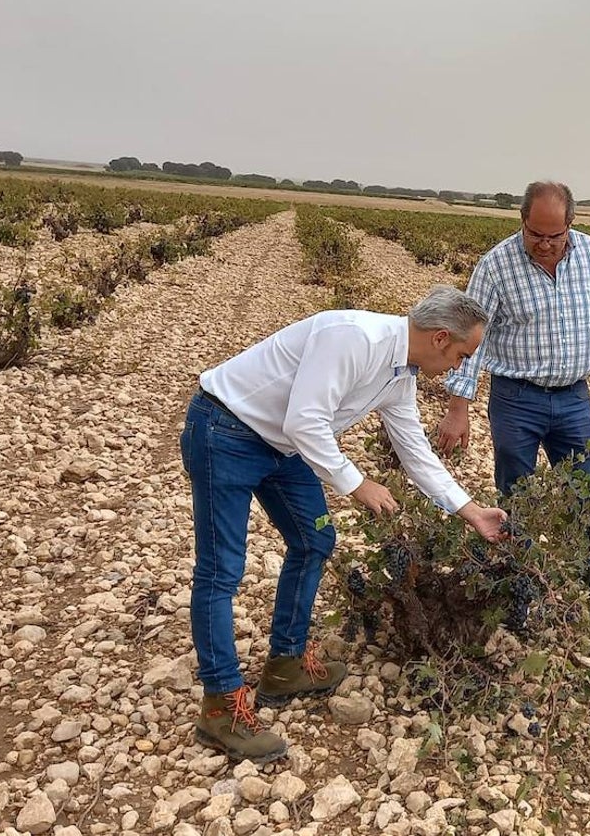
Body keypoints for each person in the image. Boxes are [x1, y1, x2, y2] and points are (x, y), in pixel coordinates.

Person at [181, 286, 508, 762]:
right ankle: (220, 707)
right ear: (440, 338)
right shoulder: (354, 338)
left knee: (315, 540)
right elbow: (305, 421)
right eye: (463, 354)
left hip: (284, 447)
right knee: (221, 570)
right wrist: (358, 484)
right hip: (225, 432)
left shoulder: (400, 375)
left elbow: (414, 449)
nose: (460, 366)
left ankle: (285, 664)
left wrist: (470, 510)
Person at [434, 180, 590, 640]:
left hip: (574, 398)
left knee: (585, 500)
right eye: (535, 234)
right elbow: (469, 337)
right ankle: (518, 595)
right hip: (516, 399)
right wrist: (457, 407)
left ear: (571, 225)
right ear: (521, 221)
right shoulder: (496, 265)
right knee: (515, 500)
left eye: (554, 235)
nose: (544, 245)